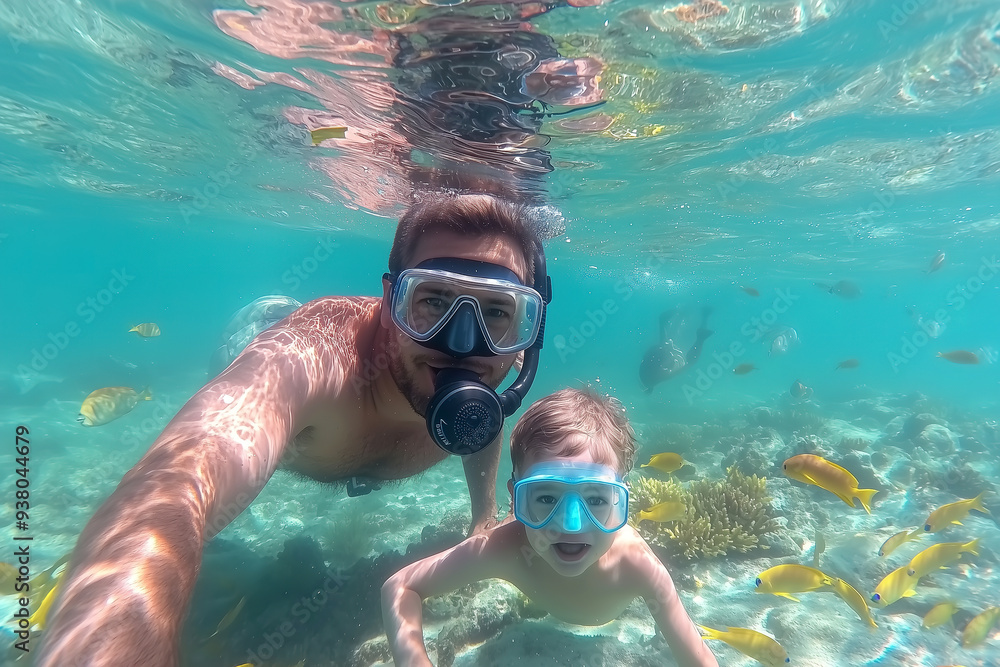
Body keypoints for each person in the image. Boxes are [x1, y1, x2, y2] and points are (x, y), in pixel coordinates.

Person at [38, 193, 552, 664]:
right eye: (434, 301)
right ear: (391, 301)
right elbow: (174, 484)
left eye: (499, 311)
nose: (464, 344)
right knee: (251, 340)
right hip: (261, 336)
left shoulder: (486, 390)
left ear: (531, 331)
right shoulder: (308, 364)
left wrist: (484, 515)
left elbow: (482, 427)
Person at [382, 388, 719, 667]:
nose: (570, 525)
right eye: (544, 498)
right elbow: (400, 587)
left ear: (620, 502)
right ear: (516, 500)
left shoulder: (638, 567)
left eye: (597, 500)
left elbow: (700, 659)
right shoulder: (505, 548)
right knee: (482, 531)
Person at [639, 306, 713, 393]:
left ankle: (700, 338)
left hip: (652, 370)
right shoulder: (657, 375)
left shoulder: (654, 376)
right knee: (684, 361)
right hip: (652, 370)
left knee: (685, 362)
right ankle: (700, 337)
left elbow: (658, 358)